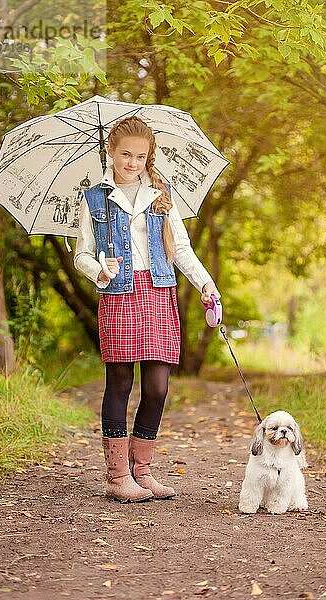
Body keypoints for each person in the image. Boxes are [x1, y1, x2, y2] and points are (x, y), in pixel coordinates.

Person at [74, 116, 220, 503]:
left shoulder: (161, 194)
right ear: (111, 151)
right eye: (125, 155)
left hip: (158, 292)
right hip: (118, 293)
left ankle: (143, 471)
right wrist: (99, 270)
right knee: (120, 383)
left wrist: (205, 283)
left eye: (140, 156)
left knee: (157, 387)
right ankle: (118, 476)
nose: (132, 163)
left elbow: (182, 250)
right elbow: (81, 255)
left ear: (148, 157)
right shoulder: (95, 199)